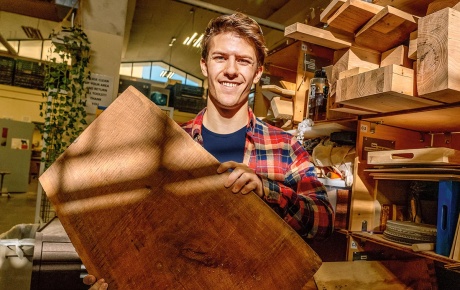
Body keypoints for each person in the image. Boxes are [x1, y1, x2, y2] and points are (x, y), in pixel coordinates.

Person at [84, 12, 334, 290]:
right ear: (204, 65)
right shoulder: (168, 145)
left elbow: (323, 221)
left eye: (243, 61)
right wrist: (114, 274)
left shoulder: (285, 147)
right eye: (220, 57)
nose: (231, 70)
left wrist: (267, 191)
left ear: (258, 72)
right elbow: (138, 226)